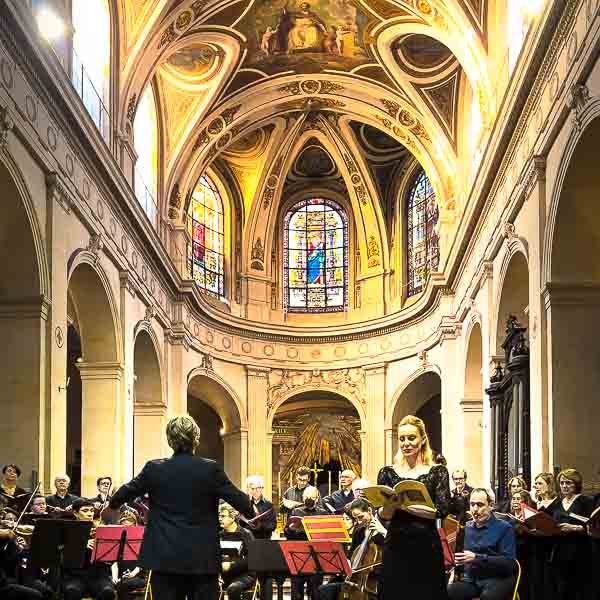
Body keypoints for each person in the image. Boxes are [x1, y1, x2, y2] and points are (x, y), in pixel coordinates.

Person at [104, 415, 253, 600]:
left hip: (164, 559)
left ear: (169, 440)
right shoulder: (210, 469)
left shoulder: (154, 469)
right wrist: (251, 510)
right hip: (202, 560)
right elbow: (242, 503)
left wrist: (112, 504)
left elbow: (120, 496)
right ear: (196, 440)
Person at [377, 415, 450, 600]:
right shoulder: (387, 472)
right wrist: (390, 506)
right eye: (402, 439)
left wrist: (407, 507)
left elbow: (441, 510)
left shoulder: (437, 471)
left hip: (426, 546)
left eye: (411, 438)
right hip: (396, 545)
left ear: (422, 439)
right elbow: (384, 516)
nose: (406, 443)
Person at [447, 488, 516, 600]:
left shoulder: (505, 528)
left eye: (480, 505)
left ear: (491, 505)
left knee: (488, 597)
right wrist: (453, 570)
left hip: (498, 578)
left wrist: (476, 558)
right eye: (472, 504)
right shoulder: (466, 527)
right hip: (472, 579)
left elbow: (509, 563)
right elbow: (459, 557)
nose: (475, 509)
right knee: (448, 591)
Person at [318, 498, 387, 600]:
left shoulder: (383, 528)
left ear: (369, 511)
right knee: (324, 590)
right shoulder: (359, 531)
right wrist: (347, 564)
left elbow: (394, 549)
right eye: (356, 518)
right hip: (356, 577)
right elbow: (351, 556)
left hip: (377, 578)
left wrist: (384, 532)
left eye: (361, 517)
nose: (359, 521)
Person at [548, 469, 594, 600]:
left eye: (568, 483)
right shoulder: (557, 503)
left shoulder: (586, 501)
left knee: (579, 588)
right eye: (562, 483)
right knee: (561, 589)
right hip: (560, 551)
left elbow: (594, 526)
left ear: (576, 484)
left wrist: (575, 528)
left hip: (580, 550)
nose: (564, 486)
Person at [63, 498, 116, 600]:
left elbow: (110, 560)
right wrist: (81, 544)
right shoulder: (68, 530)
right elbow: (61, 553)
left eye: (92, 511)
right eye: (85, 511)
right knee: (71, 591)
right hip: (75, 576)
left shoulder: (101, 529)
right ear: (76, 513)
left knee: (108, 592)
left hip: (98, 575)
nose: (90, 514)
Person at [285, 486, 328, 600]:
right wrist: (291, 528)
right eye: (306, 496)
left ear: (317, 498)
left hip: (317, 559)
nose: (309, 498)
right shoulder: (295, 511)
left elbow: (326, 536)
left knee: (315, 592)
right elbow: (287, 533)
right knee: (296, 592)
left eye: (312, 496)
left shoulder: (323, 513)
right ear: (303, 498)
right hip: (299, 556)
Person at [218, 503, 256, 600]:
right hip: (224, 575)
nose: (220, 518)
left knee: (233, 589)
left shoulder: (246, 534)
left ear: (232, 517)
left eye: (223, 516)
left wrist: (231, 565)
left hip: (244, 575)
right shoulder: (219, 535)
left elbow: (251, 559)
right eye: (219, 515)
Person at [112, 510, 146, 600]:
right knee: (111, 585)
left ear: (135, 525)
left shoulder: (140, 540)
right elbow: (114, 563)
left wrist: (132, 573)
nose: (127, 531)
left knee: (123, 585)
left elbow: (142, 563)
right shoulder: (116, 541)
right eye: (124, 528)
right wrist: (115, 577)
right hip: (120, 575)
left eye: (130, 528)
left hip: (138, 576)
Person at [243, 475, 276, 539]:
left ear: (261, 488)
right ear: (248, 489)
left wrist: (260, 526)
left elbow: (273, 526)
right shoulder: (244, 504)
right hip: (247, 539)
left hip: (264, 540)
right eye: (252, 489)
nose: (255, 491)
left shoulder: (269, 505)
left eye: (258, 488)